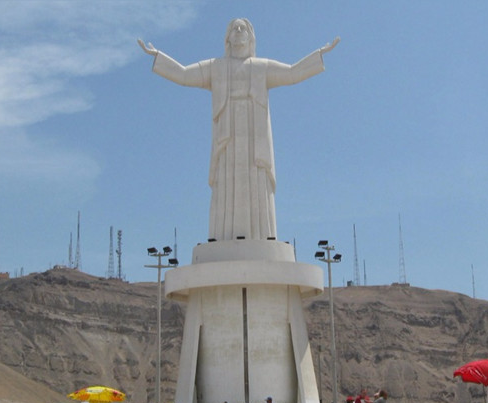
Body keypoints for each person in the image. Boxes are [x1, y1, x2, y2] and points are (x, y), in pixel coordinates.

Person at [138, 19, 339, 242]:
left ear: (251, 36)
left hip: (255, 133)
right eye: (235, 28)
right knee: (225, 180)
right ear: (228, 37)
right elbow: (185, 75)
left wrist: (320, 53)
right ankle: (221, 236)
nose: (239, 31)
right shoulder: (216, 66)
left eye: (244, 28)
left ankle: (263, 236)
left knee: (257, 176)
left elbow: (292, 73)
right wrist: (158, 56)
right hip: (227, 134)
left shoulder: (262, 66)